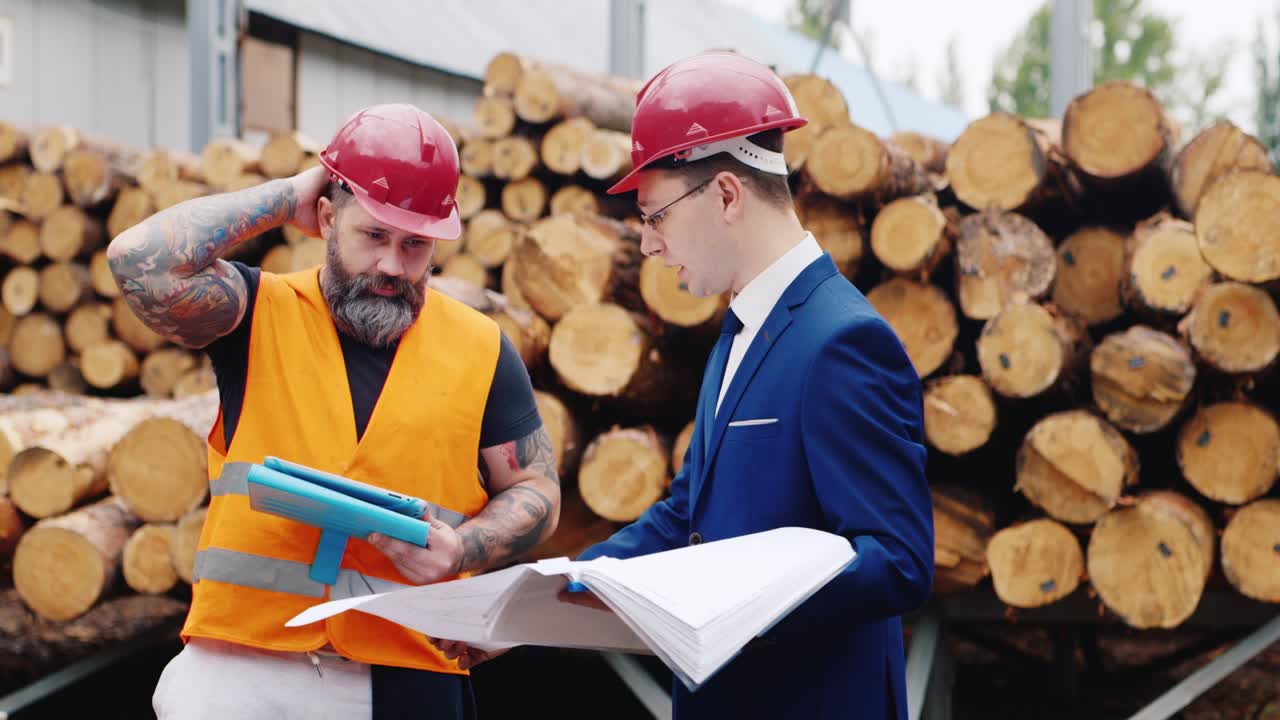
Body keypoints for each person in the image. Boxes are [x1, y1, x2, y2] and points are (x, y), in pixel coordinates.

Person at [107, 104, 560, 719]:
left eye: (415, 244)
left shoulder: (482, 348)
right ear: (325, 216)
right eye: (373, 235)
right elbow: (138, 260)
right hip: (243, 668)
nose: (392, 266)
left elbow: (536, 488)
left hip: (406, 672)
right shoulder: (255, 313)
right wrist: (286, 195)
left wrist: (464, 547)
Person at [555, 51, 935, 718]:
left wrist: (739, 602)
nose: (647, 245)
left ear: (726, 194)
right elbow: (688, 516)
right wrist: (569, 583)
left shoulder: (843, 342)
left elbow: (897, 560)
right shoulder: (740, 330)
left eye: (655, 216)